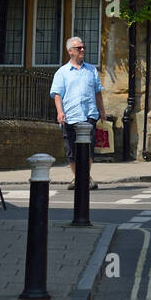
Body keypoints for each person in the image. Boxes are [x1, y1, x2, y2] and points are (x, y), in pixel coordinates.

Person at [51, 36, 105, 190]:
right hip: (70, 116)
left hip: (89, 115)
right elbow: (57, 94)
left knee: (89, 148)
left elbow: (98, 92)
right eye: (78, 48)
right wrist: (60, 112)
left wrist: (102, 110)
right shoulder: (62, 72)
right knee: (71, 149)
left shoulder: (91, 70)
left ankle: (85, 177)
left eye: (83, 47)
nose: (82, 50)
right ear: (70, 51)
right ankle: (77, 177)